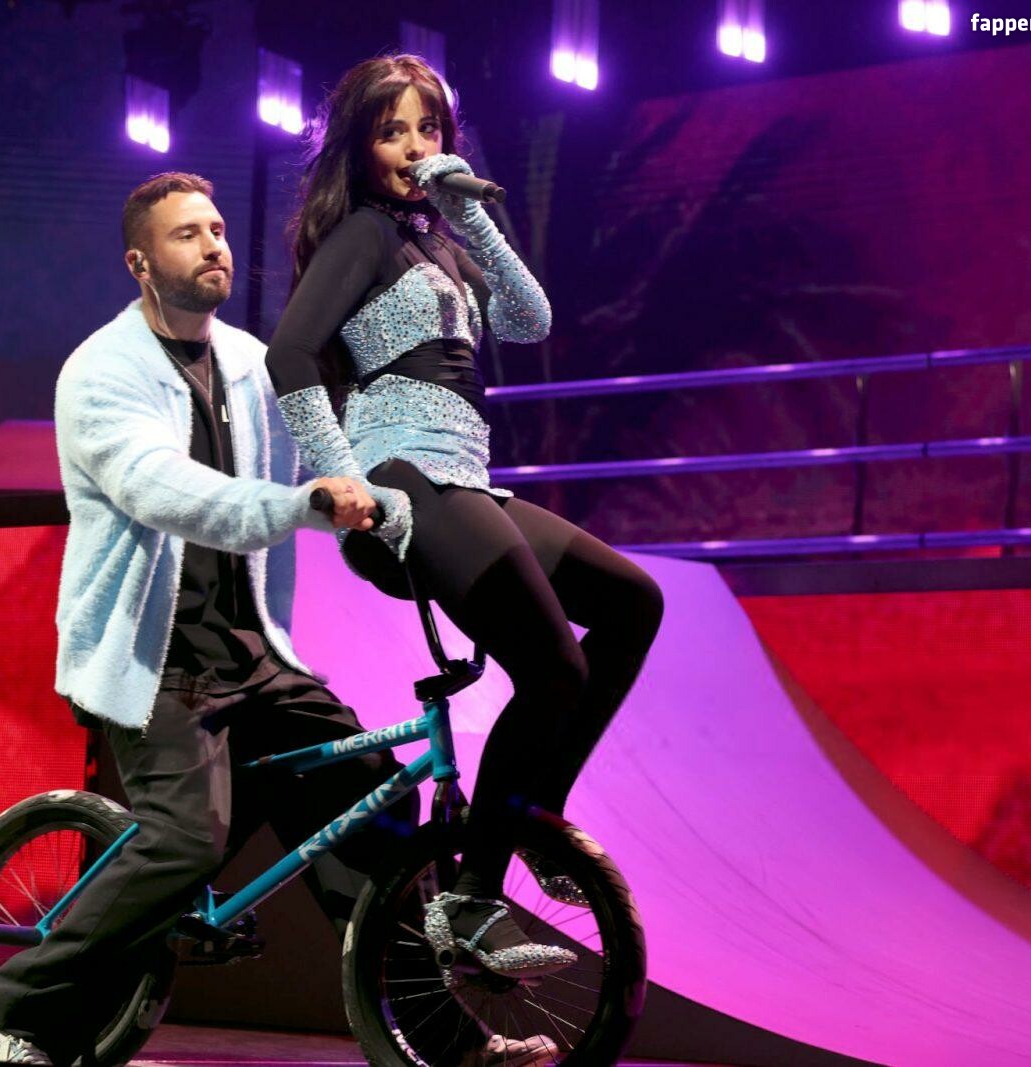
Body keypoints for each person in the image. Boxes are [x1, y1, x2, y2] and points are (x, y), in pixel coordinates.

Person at [0, 173, 555, 1067]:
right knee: (184, 841)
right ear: (140, 263)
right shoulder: (101, 372)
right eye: (187, 234)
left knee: (375, 804)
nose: (213, 245)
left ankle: (447, 1045)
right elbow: (168, 490)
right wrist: (304, 504)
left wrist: (422, 502)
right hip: (156, 659)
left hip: (254, 654)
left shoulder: (248, 362)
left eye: (219, 229)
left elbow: (330, 448)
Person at [267, 56, 665, 980]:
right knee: (554, 665)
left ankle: (533, 817)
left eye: (430, 129)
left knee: (632, 603)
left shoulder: (438, 242)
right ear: (360, 148)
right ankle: (472, 900)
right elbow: (290, 354)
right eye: (392, 132)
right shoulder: (364, 234)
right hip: (400, 479)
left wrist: (469, 211)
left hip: (467, 480)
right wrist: (342, 482)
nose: (415, 148)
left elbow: (530, 319)